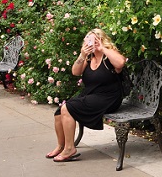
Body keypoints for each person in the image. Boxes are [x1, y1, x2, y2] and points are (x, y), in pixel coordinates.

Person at [47, 28, 127, 162]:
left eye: (93, 39)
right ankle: (61, 146)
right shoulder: (89, 57)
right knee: (59, 112)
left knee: (68, 108)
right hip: (92, 95)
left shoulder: (108, 56)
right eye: (87, 40)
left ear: (101, 40)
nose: (89, 42)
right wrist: (82, 55)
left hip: (109, 98)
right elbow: (75, 72)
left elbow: (120, 63)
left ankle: (70, 149)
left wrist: (102, 48)